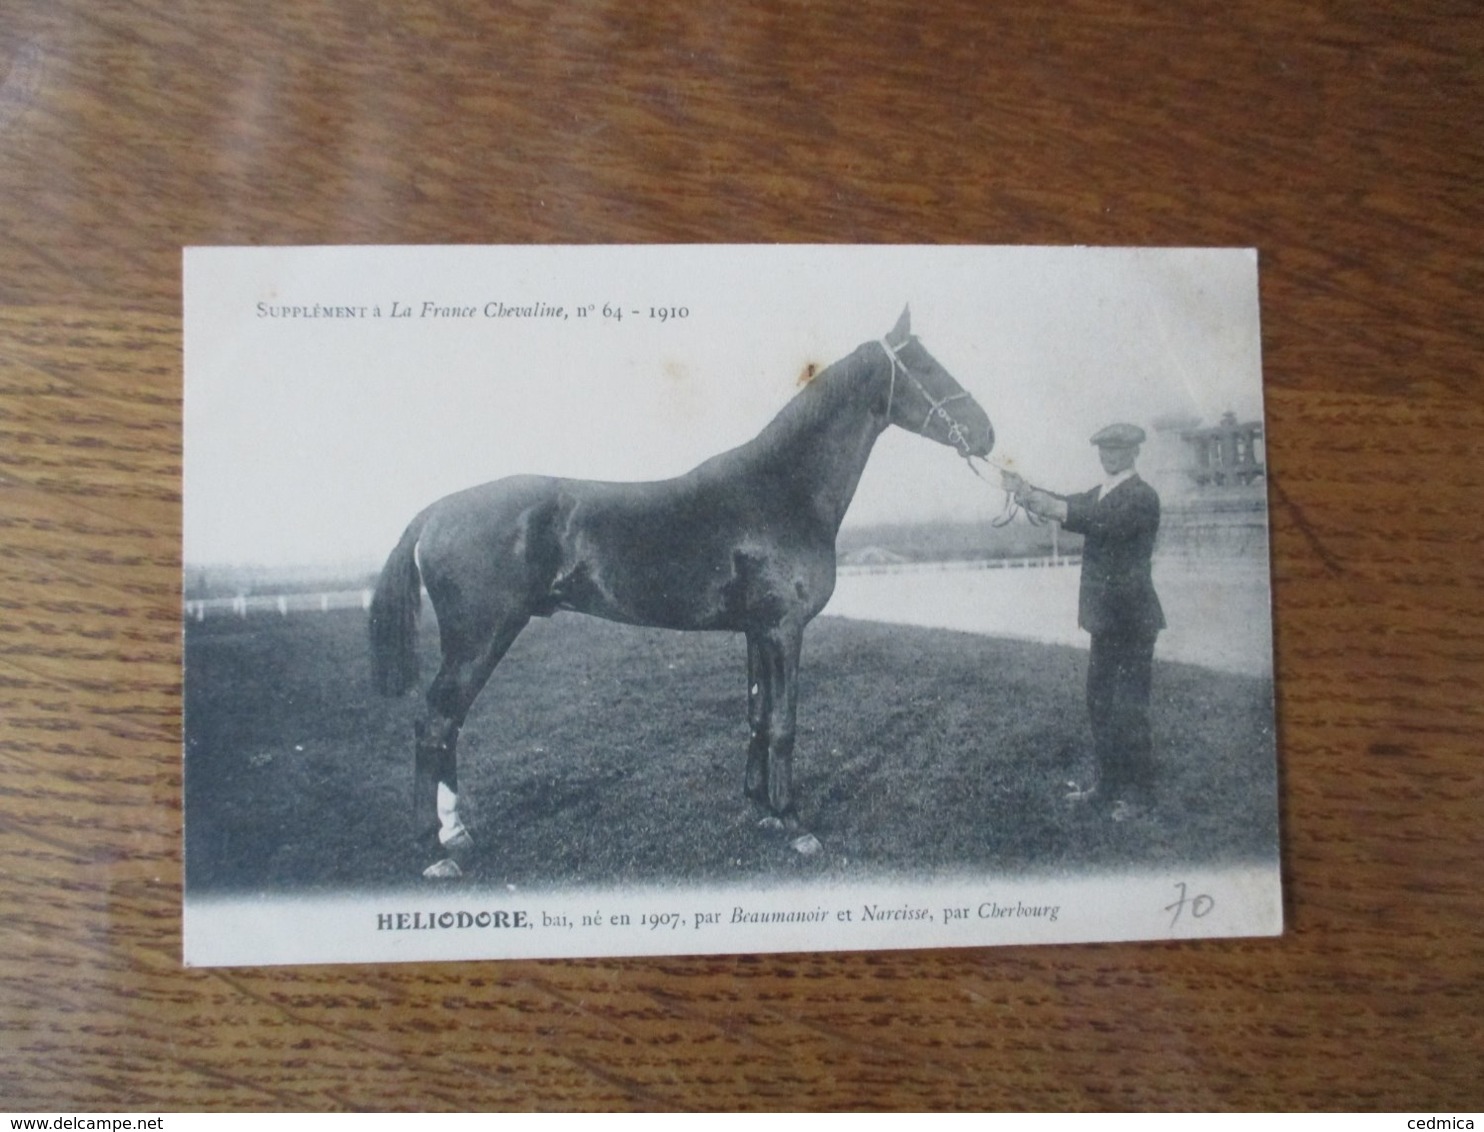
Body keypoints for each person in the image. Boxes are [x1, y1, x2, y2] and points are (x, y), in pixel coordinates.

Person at [1004, 423, 1165, 820]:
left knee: (1129, 708)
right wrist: (1024, 489)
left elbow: (1095, 520)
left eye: (1117, 450)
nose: (1109, 456)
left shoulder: (1142, 497)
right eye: (1104, 450)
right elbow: (1070, 503)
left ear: (1134, 453)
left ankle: (1139, 795)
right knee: (1101, 704)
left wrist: (1039, 500)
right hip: (1106, 619)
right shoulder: (1101, 493)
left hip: (1132, 620)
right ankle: (1108, 787)